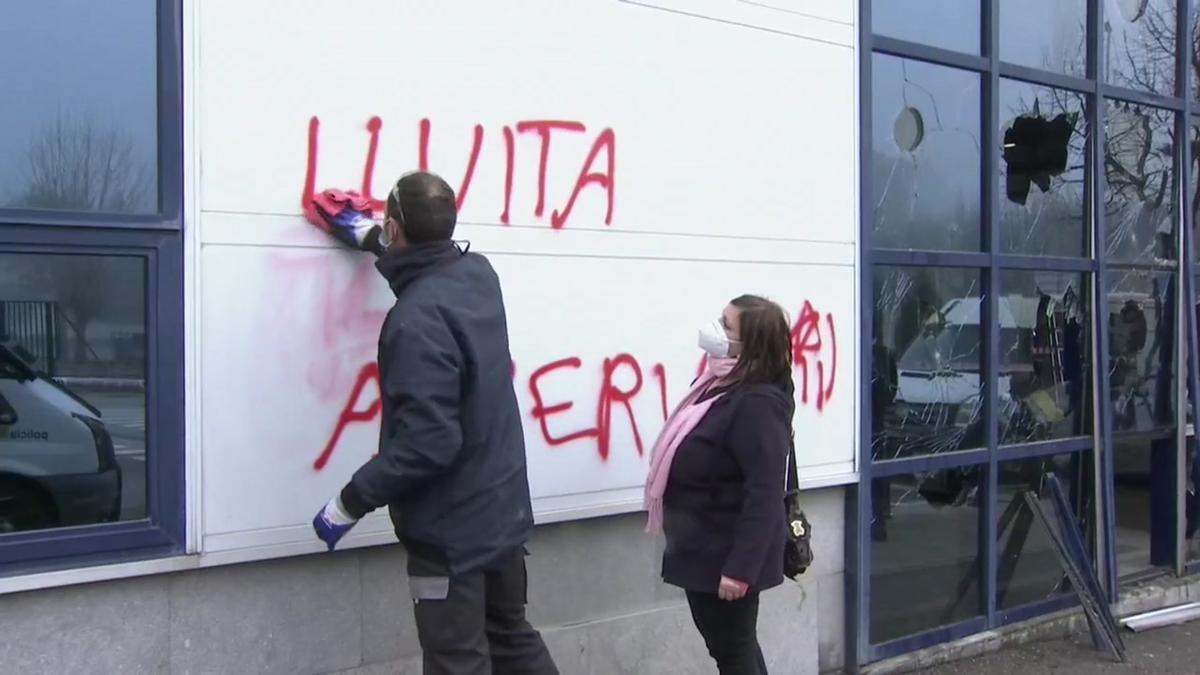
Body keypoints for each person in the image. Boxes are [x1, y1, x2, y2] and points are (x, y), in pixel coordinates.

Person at [309, 171, 558, 675]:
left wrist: (348, 502)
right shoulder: (479, 276)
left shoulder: (414, 321)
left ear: (398, 229)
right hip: (502, 514)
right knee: (511, 640)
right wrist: (369, 236)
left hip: (449, 537)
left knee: (456, 662)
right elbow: (428, 259)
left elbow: (429, 442)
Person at [644, 294, 794, 675]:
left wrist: (740, 569)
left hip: (725, 554)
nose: (716, 329)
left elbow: (764, 494)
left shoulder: (757, 403)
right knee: (732, 647)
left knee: (732, 649)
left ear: (752, 344)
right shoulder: (719, 383)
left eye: (727, 326)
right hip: (702, 545)